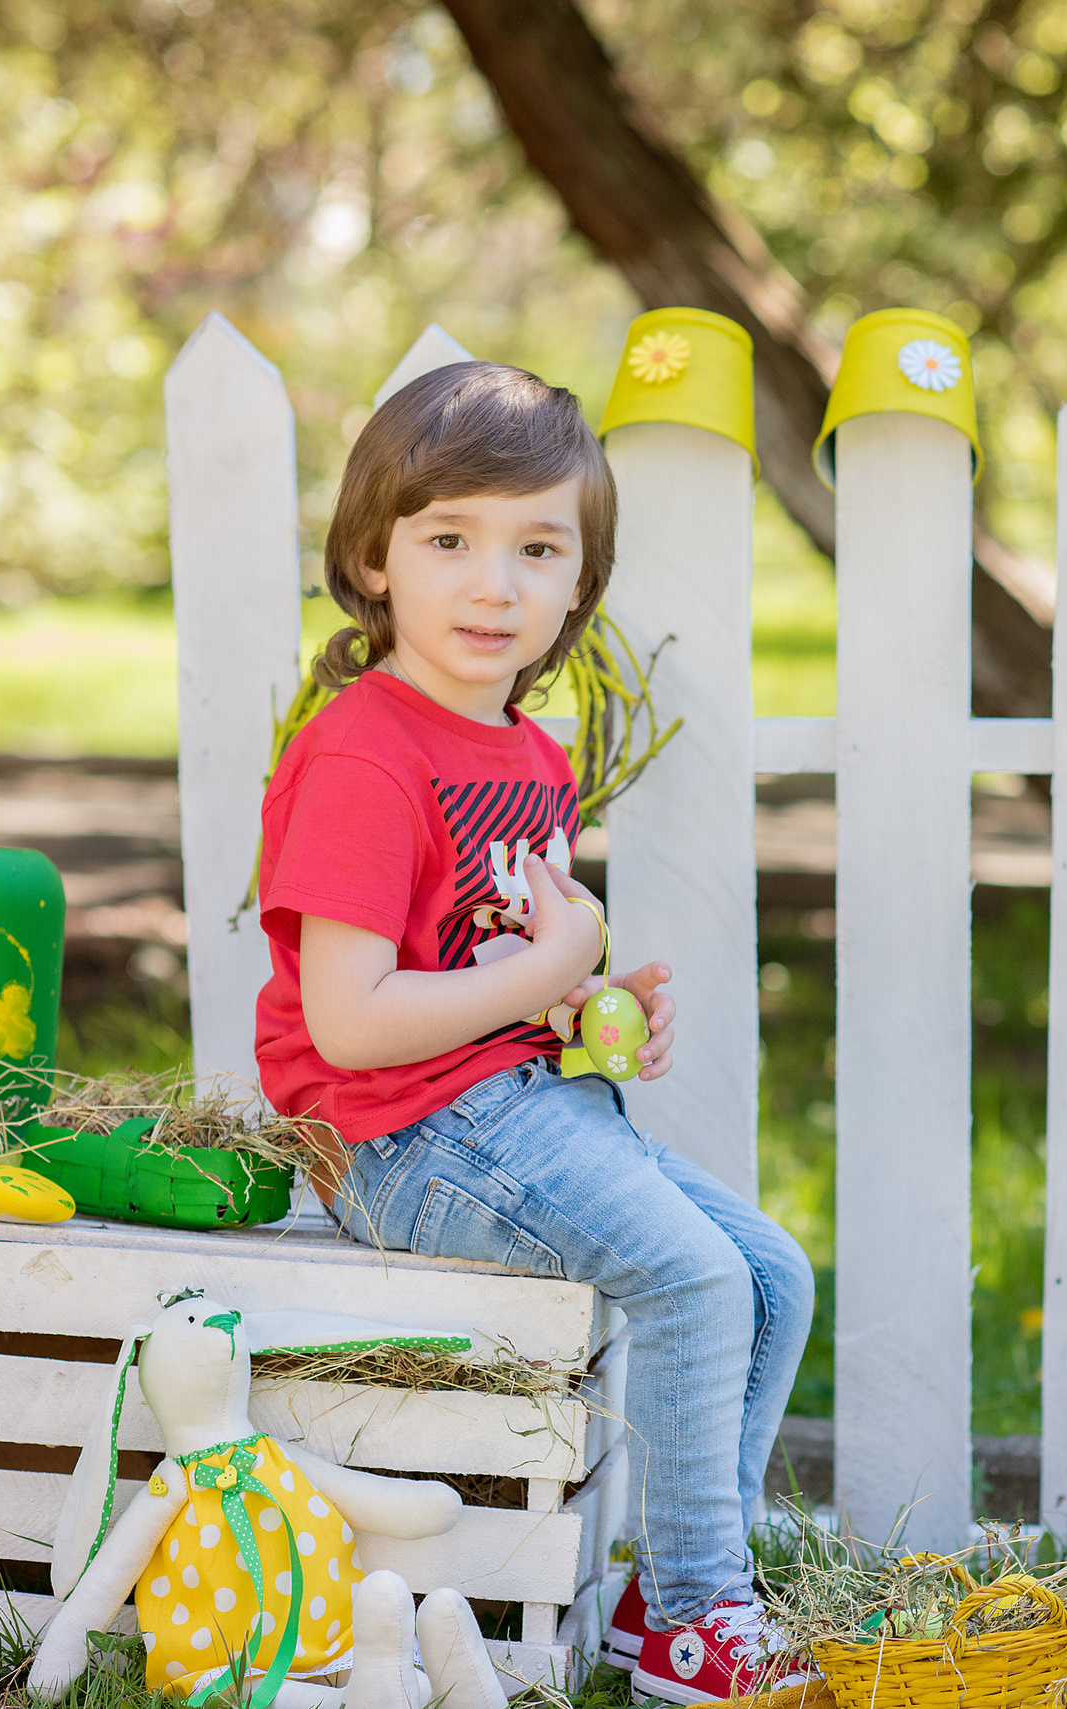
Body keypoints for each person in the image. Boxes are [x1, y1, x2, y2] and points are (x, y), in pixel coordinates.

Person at [254, 359, 817, 1704]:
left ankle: (669, 1583)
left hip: (508, 1104)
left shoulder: (530, 755)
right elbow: (353, 1018)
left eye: (537, 547)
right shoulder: (363, 755)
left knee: (774, 1274)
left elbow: (493, 962)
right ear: (373, 559)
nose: (493, 584)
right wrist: (547, 970)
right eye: (450, 540)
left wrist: (589, 1009)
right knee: (695, 1280)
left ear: (579, 583)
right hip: (392, 1139)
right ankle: (702, 1610)